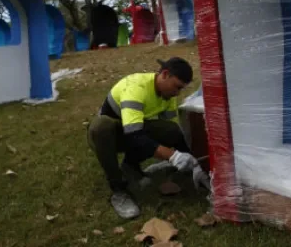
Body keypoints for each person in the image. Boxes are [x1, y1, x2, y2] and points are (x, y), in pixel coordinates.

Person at [87, 57, 209, 219]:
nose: (177, 93)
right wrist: (172, 156)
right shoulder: (136, 88)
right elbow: (134, 136)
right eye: (177, 87)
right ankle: (119, 190)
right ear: (165, 74)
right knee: (102, 126)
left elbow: (173, 134)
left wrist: (194, 163)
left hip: (131, 132)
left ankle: (130, 167)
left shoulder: (167, 96)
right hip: (107, 138)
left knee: (169, 130)